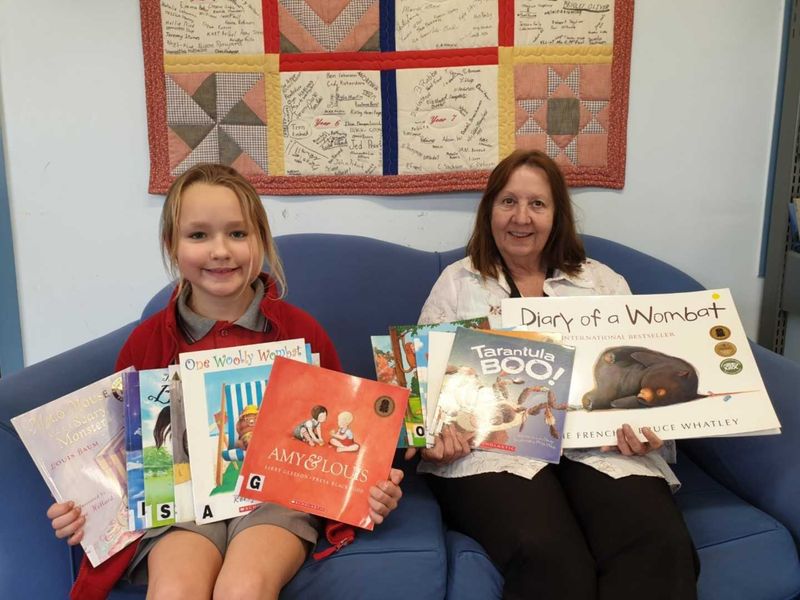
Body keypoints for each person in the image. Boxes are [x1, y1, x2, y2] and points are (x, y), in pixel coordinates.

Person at [46, 163, 404, 600]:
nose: (220, 251)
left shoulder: (301, 332)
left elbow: (342, 443)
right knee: (174, 590)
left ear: (261, 241)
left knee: (244, 588)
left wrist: (372, 487)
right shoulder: (147, 343)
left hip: (276, 499)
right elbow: (121, 454)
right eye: (198, 235)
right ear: (171, 245)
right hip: (183, 505)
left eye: (237, 233)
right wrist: (87, 507)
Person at [413, 150, 699, 600]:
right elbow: (425, 391)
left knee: (659, 544)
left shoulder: (604, 284)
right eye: (508, 202)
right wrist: (433, 438)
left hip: (600, 449)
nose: (521, 217)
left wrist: (652, 431)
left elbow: (649, 383)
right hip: (496, 453)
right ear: (489, 209)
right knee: (549, 555)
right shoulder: (457, 282)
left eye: (537, 204)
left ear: (557, 214)